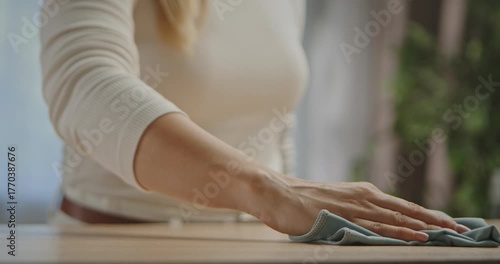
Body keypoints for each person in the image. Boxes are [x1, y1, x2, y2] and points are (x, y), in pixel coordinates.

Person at [40, 0, 469, 242]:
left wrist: (297, 208)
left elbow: (275, 123)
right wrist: (263, 189)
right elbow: (83, 81)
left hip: (255, 247)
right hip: (119, 245)